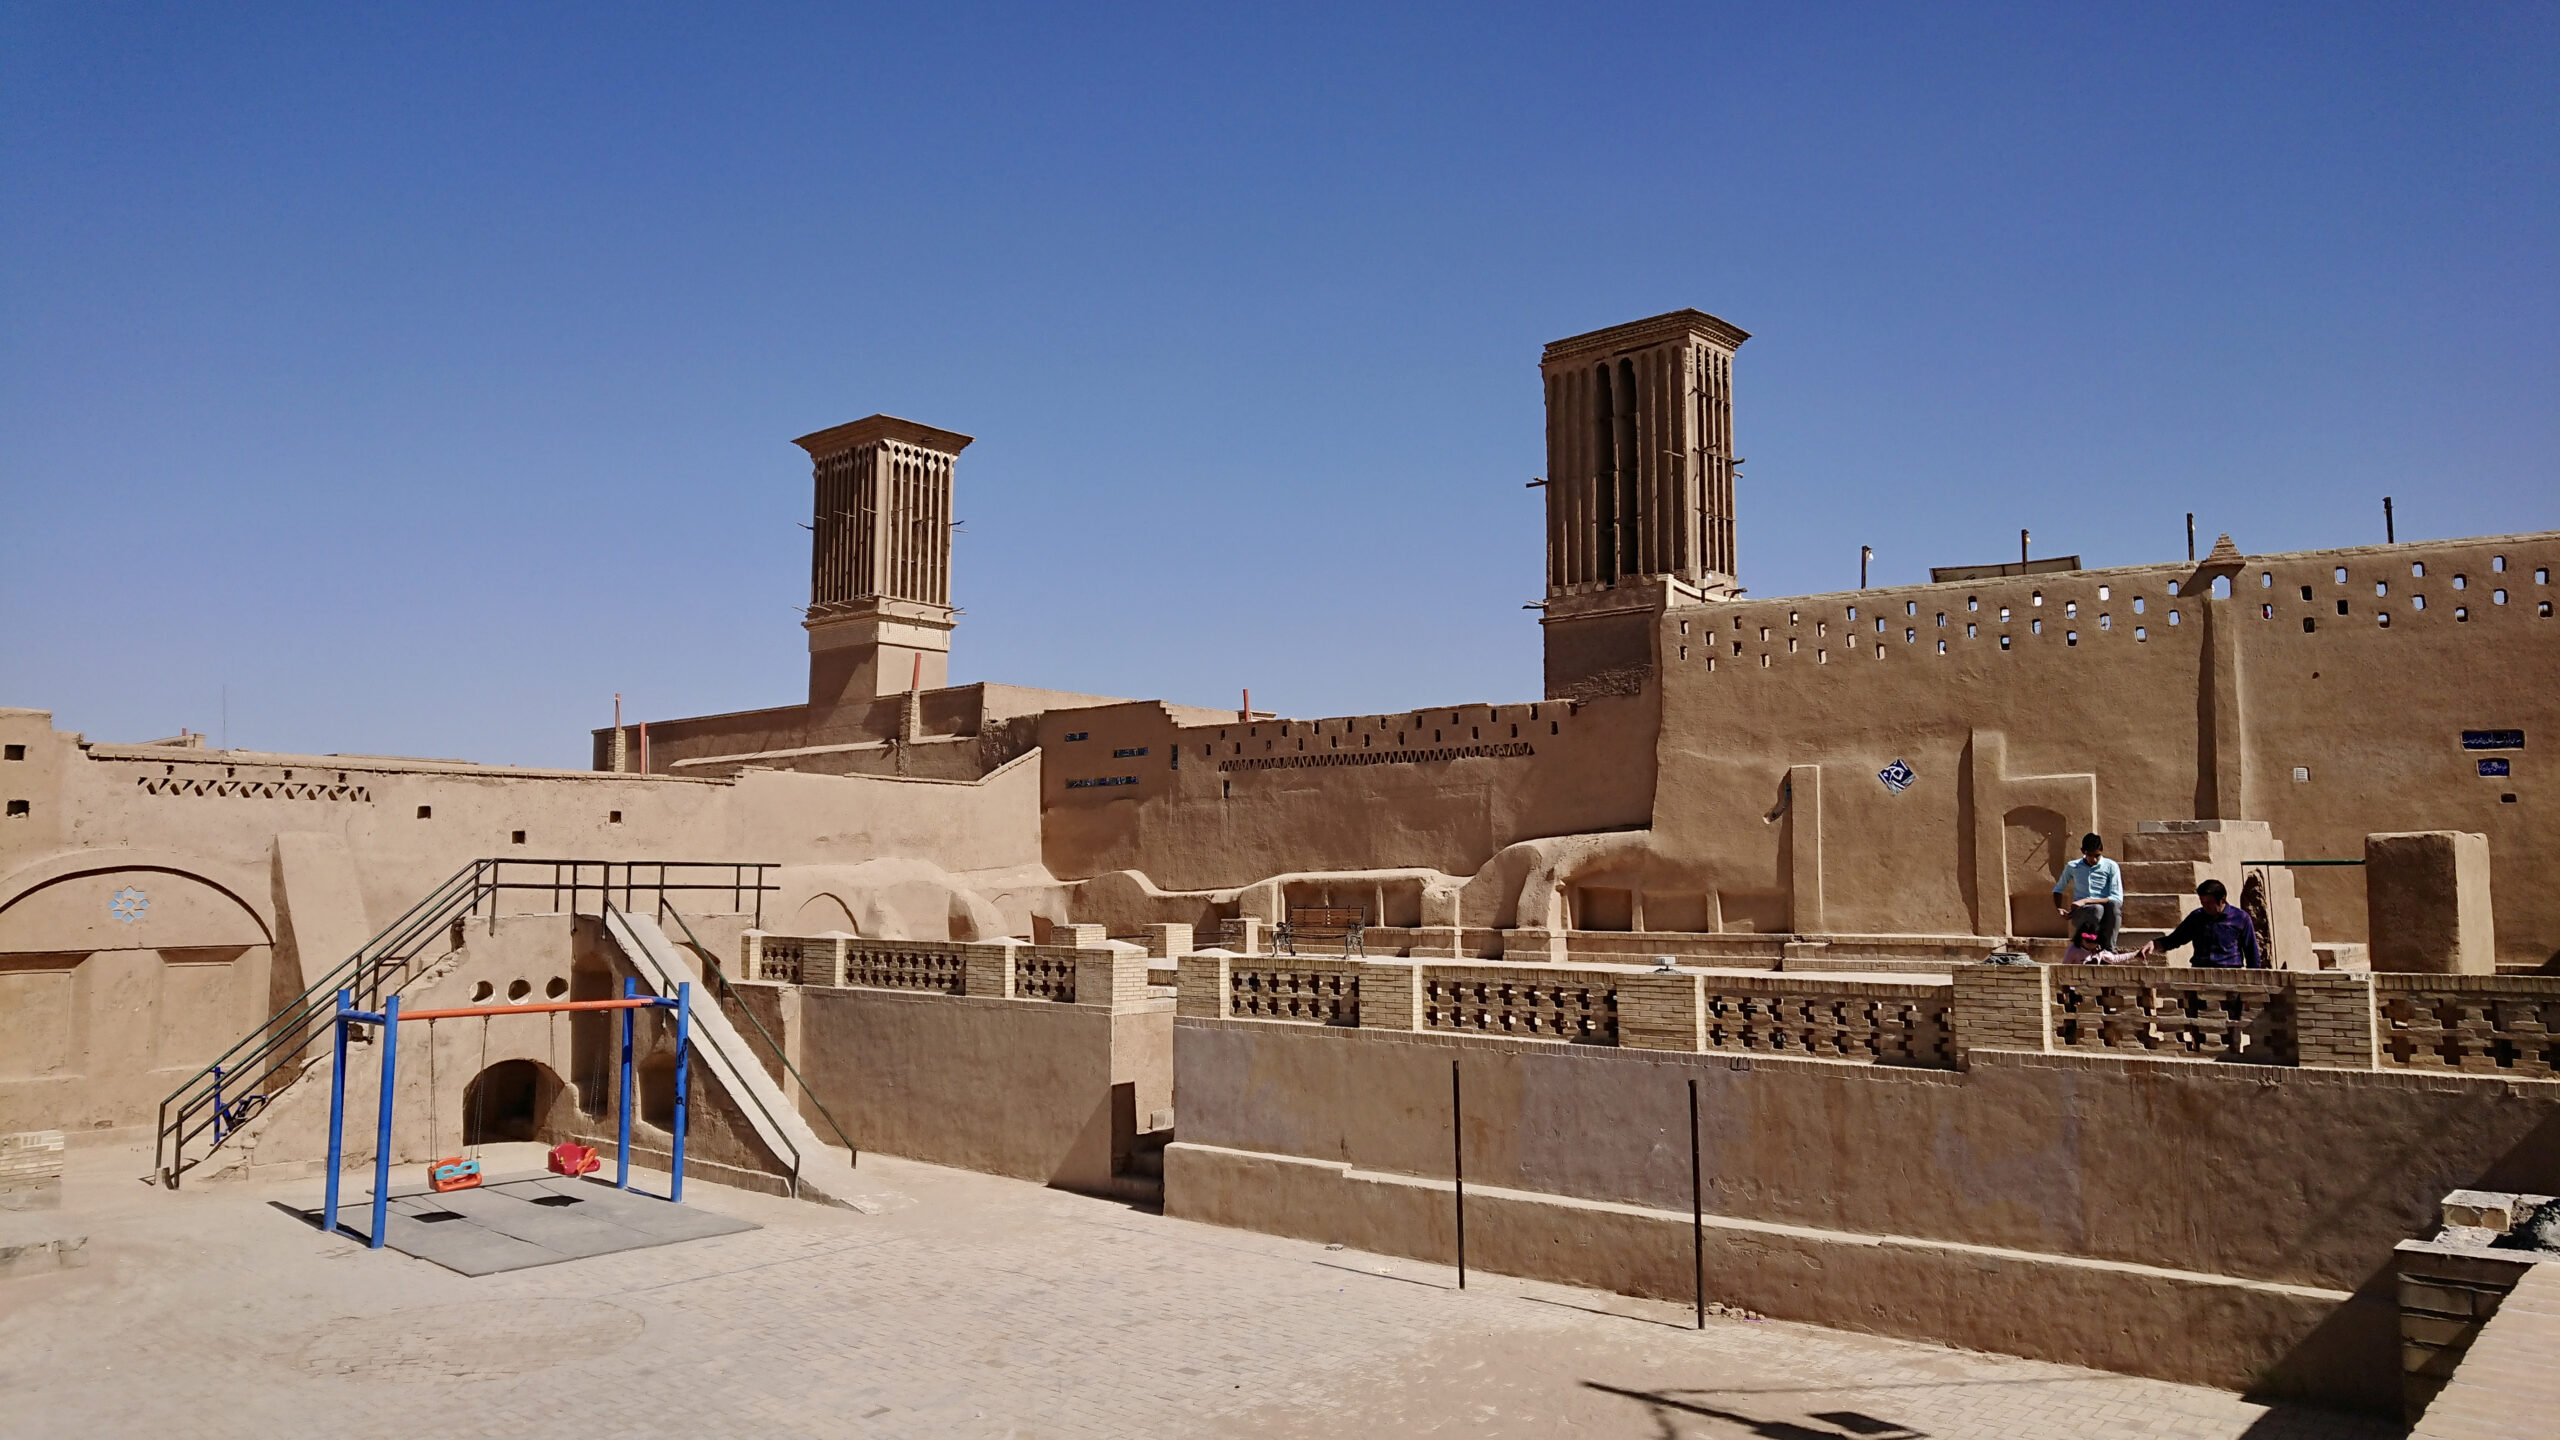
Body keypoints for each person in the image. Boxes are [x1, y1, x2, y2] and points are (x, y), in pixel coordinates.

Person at [2137, 879, 2265, 969]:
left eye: (2209, 903)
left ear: (2222, 900)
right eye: (2202, 902)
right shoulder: (2196, 917)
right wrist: (2154, 944)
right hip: (2200, 975)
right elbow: (2175, 939)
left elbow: (2252, 953)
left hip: (2229, 975)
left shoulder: (2241, 918)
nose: (2205, 906)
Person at [2052, 833, 2122, 954]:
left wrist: (2086, 900)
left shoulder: (2111, 866)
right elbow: (2058, 889)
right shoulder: (2073, 866)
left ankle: (2109, 950)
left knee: (2114, 906)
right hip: (2083, 912)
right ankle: (2089, 948)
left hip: (2101, 908)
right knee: (2097, 909)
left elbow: (2116, 897)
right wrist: (2059, 908)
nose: (2093, 859)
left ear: (2101, 851)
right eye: (2089, 855)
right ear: (2083, 851)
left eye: (2097, 856)